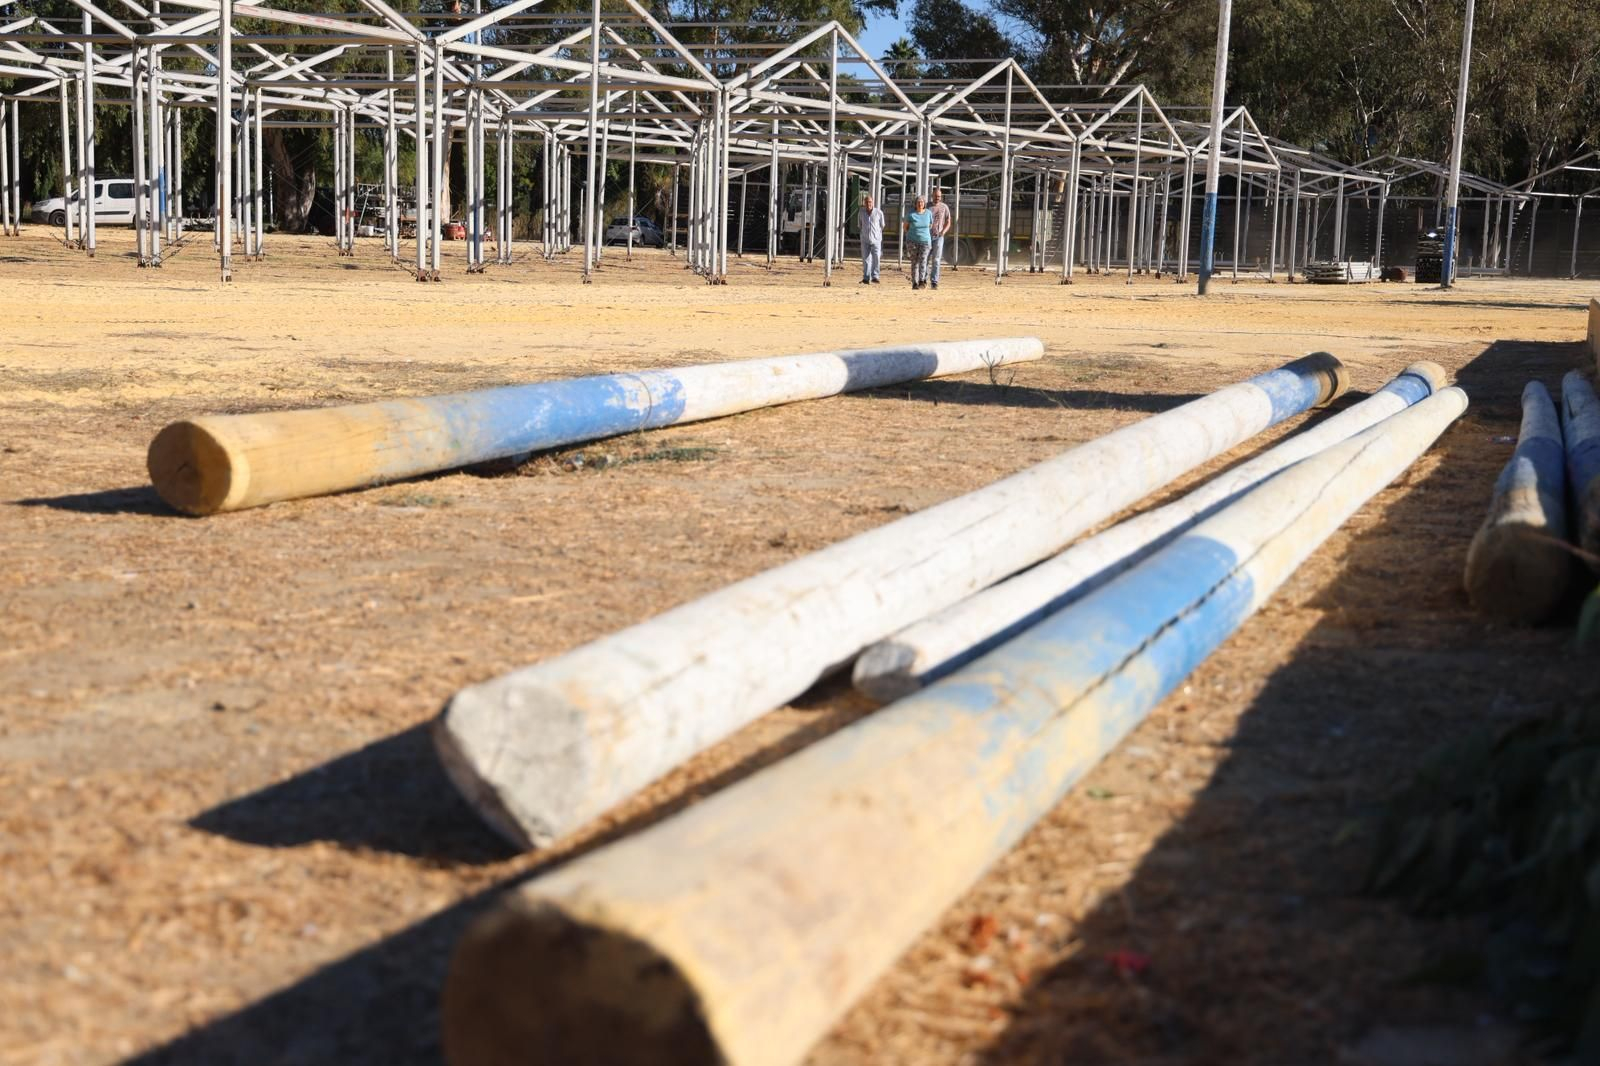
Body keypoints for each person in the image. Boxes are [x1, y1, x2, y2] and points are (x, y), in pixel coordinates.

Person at [905, 195, 932, 289]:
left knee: (923, 260)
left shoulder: (928, 213)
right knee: (914, 262)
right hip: (912, 241)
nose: (920, 204)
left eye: (922, 202)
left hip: (925, 241)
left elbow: (930, 225)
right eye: (918, 202)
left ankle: (921, 280)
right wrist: (912, 234)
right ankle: (914, 283)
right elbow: (906, 227)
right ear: (915, 204)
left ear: (924, 204)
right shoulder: (911, 214)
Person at [928, 187, 952, 289]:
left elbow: (948, 221)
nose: (937, 198)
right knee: (925, 259)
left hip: (938, 237)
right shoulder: (927, 206)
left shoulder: (944, 207)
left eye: (939, 196)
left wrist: (943, 232)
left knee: (936, 260)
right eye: (935, 196)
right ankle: (923, 279)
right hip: (927, 237)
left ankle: (934, 281)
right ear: (932, 196)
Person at [858, 194, 884, 284]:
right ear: (864, 203)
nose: (868, 204)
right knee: (866, 259)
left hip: (876, 240)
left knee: (876, 258)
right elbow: (860, 225)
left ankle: (875, 276)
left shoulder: (879, 213)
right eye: (866, 202)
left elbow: (882, 225)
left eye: (870, 202)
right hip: (865, 239)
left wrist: (876, 234)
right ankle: (866, 277)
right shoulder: (861, 213)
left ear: (873, 203)